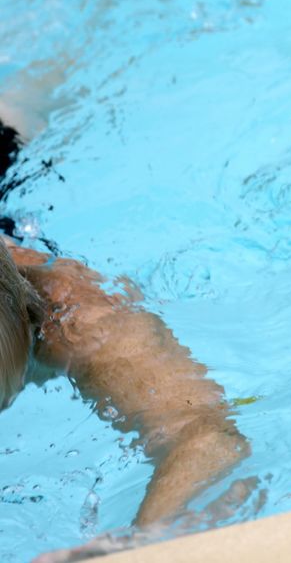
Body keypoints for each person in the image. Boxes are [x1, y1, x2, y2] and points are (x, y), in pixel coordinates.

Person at [1, 83, 248, 529]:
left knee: (20, 99)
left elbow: (205, 437)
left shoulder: (72, 313)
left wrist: (142, 540)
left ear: (27, 319)